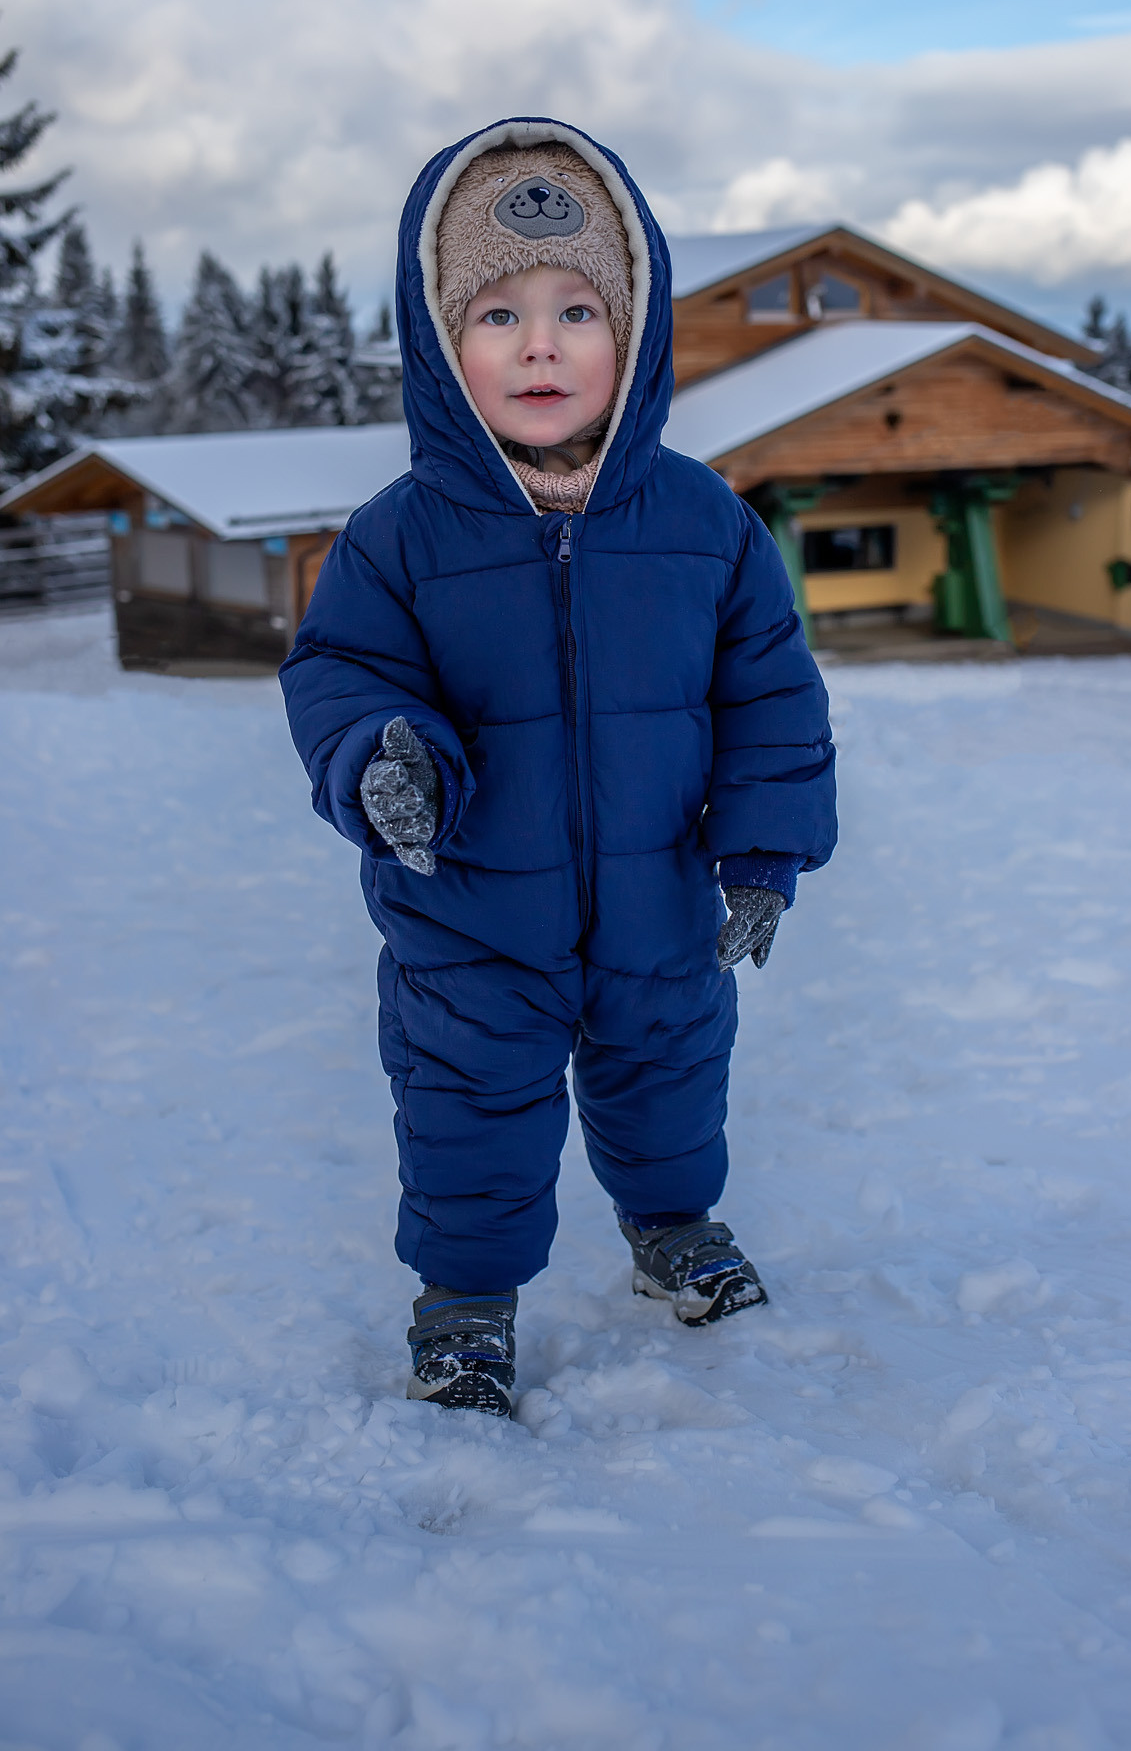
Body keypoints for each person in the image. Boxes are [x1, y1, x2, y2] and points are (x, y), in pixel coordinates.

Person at [281, 119, 836, 1418]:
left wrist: (763, 852)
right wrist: (382, 761)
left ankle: (672, 1229)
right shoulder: (398, 538)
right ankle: (465, 1301)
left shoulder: (705, 522)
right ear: (440, 346)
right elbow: (340, 677)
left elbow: (769, 691)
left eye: (577, 310)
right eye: (498, 314)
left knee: (672, 1078)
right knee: (467, 1108)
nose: (541, 345)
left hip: (659, 896)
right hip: (469, 910)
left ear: (634, 335)